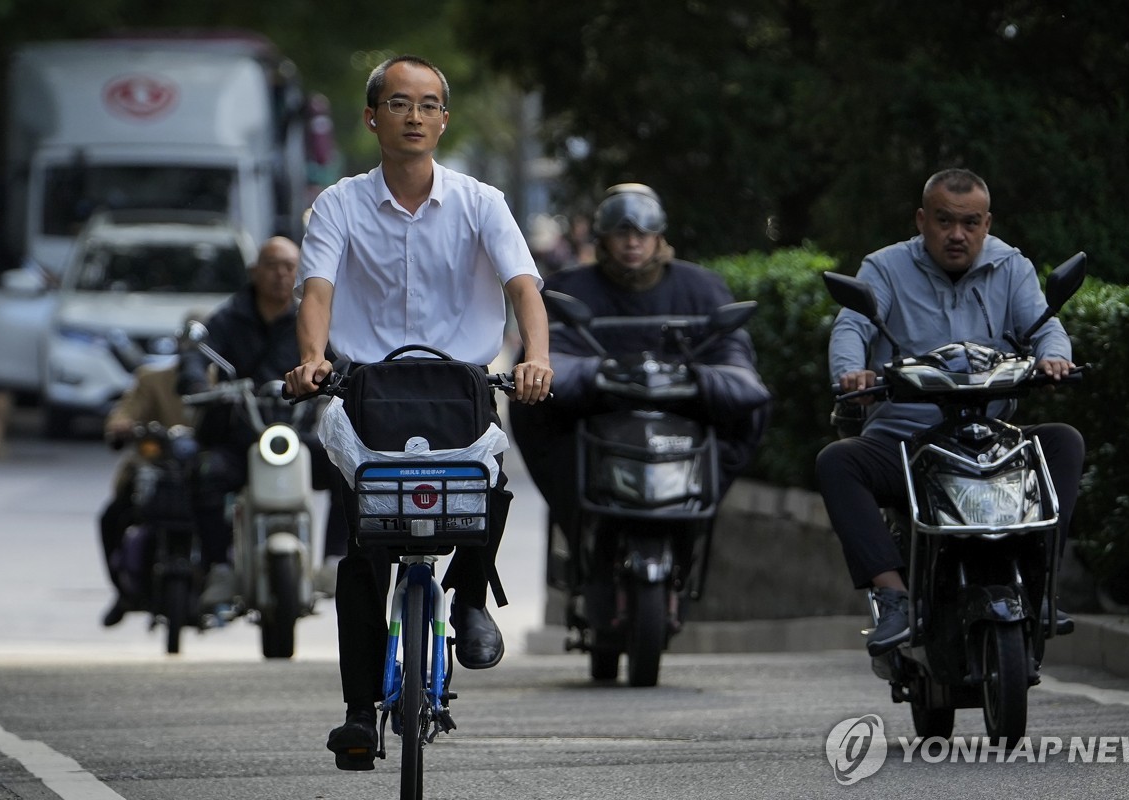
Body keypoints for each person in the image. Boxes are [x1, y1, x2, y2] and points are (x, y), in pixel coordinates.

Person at [281, 54, 551, 769]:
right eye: (399, 104)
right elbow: (316, 292)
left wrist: (535, 358)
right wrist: (313, 361)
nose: (415, 117)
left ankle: (466, 600)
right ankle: (358, 713)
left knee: (489, 486)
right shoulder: (337, 204)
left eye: (429, 105)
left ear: (443, 119)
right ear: (372, 117)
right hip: (364, 392)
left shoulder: (481, 202)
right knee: (362, 548)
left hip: (463, 387)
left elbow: (524, 286)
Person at [815, 168, 1085, 656]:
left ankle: (1043, 587)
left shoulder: (1012, 266)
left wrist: (1054, 356)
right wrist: (852, 373)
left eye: (970, 223)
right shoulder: (884, 267)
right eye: (944, 221)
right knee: (837, 461)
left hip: (989, 437)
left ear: (987, 224)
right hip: (904, 441)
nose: (957, 234)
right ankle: (892, 594)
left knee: (1064, 441)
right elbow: (852, 326)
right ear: (922, 220)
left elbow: (1046, 324)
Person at [510, 183, 771, 559]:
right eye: (621, 233)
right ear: (603, 238)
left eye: (642, 233)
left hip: (680, 413)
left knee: (752, 410)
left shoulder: (701, 288)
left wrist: (702, 377)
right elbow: (542, 358)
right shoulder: (569, 290)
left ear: (658, 237)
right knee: (529, 404)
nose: (632, 242)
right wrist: (595, 373)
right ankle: (576, 525)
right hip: (596, 413)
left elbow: (733, 355)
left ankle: (696, 520)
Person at [178, 236, 347, 605]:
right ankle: (218, 567)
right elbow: (197, 352)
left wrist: (343, 377)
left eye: (289, 267)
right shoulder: (228, 317)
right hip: (240, 435)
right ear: (256, 271)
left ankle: (334, 560)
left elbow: (341, 355)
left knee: (345, 469)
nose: (281, 274)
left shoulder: (311, 319)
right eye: (272, 266)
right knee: (204, 472)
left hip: (296, 433)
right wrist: (193, 377)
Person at [98, 350, 194, 626]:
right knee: (111, 518)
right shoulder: (153, 380)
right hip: (155, 472)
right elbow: (124, 413)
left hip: (206, 473)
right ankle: (123, 590)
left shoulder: (227, 380)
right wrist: (122, 425)